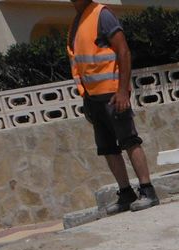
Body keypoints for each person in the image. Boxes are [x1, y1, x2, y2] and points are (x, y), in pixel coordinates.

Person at [67, 0, 159, 214]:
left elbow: (123, 52)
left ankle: (147, 190)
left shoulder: (102, 14)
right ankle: (126, 193)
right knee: (108, 148)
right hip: (93, 98)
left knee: (129, 140)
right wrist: (86, 99)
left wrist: (122, 91)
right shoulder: (76, 22)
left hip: (112, 93)